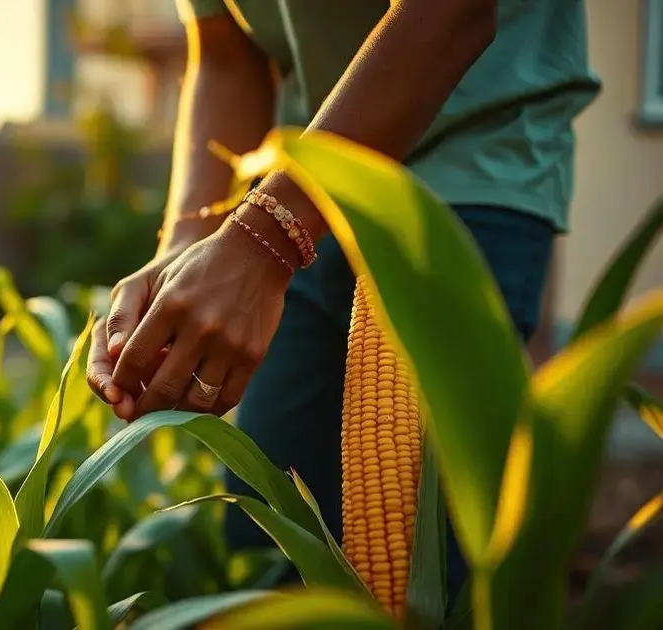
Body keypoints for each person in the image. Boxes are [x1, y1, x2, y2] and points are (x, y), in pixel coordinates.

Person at [85, 0, 599, 597]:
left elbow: (449, 14)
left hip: (472, 165)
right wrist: (188, 242)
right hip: (307, 176)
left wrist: (261, 242)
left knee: (438, 559)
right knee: (277, 536)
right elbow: (227, 55)